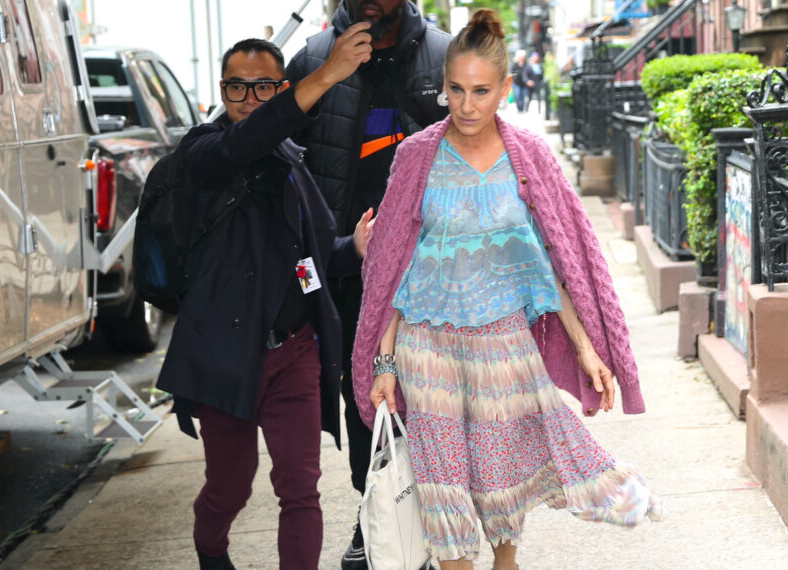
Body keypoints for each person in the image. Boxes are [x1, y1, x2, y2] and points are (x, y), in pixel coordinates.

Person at [352, 10, 665, 569]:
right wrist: (384, 362)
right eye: (455, 90)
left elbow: (553, 264)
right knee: (443, 494)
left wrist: (588, 349)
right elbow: (393, 269)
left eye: (480, 91)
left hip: (503, 342)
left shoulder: (530, 157)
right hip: (427, 347)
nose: (466, 105)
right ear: (442, 86)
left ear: (505, 88)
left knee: (499, 494)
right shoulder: (415, 156)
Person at [156, 35, 376, 570]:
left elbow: (310, 260)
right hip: (222, 356)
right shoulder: (202, 154)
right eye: (236, 86)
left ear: (278, 87)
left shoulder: (290, 161)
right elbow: (243, 142)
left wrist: (355, 249)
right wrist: (325, 75)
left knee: (300, 489)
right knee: (229, 488)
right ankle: (211, 549)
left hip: (292, 353)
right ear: (222, 90)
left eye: (262, 87)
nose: (248, 98)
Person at [284, 2, 450, 567]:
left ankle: (435, 523)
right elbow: (282, 162)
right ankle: (378, 514)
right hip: (353, 269)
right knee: (367, 405)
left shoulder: (444, 55)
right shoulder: (311, 59)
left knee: (436, 400)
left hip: (437, 270)